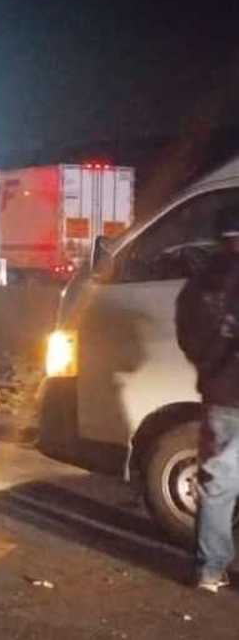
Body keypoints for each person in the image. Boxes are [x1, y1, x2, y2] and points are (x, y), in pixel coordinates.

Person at [175, 210, 239, 592]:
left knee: (218, 484)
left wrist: (212, 366)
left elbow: (188, 336)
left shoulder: (200, 284)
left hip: (222, 394)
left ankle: (210, 570)